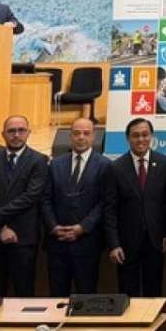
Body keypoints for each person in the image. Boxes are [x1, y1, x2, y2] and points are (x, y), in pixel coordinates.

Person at [0, 114, 49, 297]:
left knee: (24, 293)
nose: (16, 135)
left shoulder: (39, 160)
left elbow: (30, 197)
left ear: (28, 133)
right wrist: (1, 227)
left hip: (23, 239)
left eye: (21, 130)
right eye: (11, 131)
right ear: (2, 134)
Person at [104, 118, 166, 297]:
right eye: (135, 135)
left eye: (145, 135)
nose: (141, 139)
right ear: (127, 138)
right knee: (128, 293)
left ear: (152, 136)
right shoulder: (116, 167)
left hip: (156, 241)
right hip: (126, 244)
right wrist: (114, 244)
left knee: (154, 291)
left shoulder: (164, 163)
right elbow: (110, 209)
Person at [42, 117, 110, 295]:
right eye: (77, 133)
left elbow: (104, 202)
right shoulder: (55, 164)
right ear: (70, 136)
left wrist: (82, 227)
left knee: (85, 296)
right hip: (57, 242)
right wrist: (53, 227)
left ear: (93, 137)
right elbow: (45, 199)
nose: (81, 137)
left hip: (87, 242)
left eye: (86, 133)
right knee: (56, 297)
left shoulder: (105, 165)